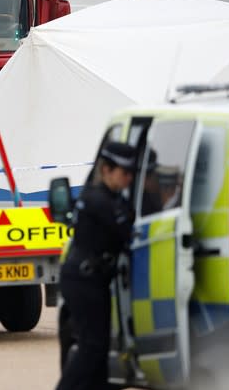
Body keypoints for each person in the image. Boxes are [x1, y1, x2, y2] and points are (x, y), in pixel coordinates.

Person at [56, 141, 137, 390]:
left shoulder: (103, 197)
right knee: (92, 346)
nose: (129, 180)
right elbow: (125, 232)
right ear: (106, 171)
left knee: (99, 350)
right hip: (84, 279)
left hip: (90, 279)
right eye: (124, 174)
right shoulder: (99, 201)